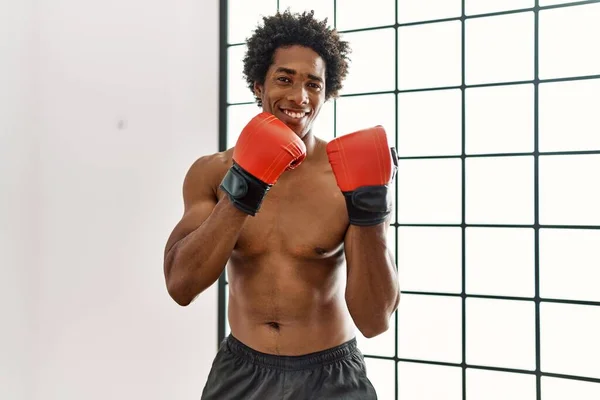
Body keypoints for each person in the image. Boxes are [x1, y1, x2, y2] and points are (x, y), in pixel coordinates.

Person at [163, 9, 400, 399]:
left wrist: (371, 209)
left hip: (331, 375)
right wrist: (244, 189)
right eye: (284, 79)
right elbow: (180, 286)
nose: (299, 97)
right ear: (258, 84)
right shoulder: (211, 173)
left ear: (328, 92)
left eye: (313, 84)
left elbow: (374, 321)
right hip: (241, 370)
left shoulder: (347, 177)